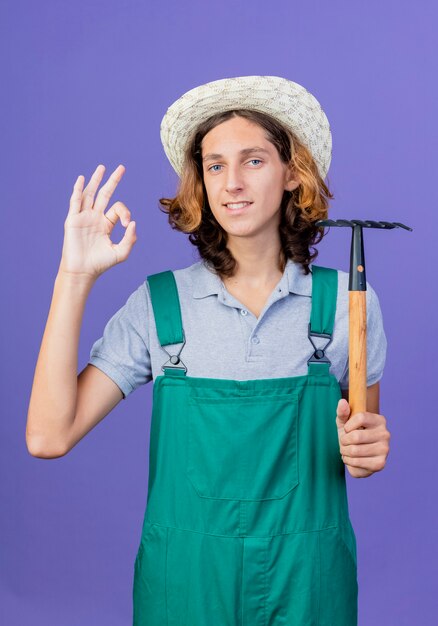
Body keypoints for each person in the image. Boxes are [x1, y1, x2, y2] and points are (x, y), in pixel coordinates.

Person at [26, 75, 391, 625]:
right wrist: (73, 277)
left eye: (254, 161)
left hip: (308, 586)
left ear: (293, 172)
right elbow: (48, 436)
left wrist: (368, 450)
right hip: (184, 591)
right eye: (215, 165)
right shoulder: (160, 306)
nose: (232, 183)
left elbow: (361, 444)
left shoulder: (346, 305)